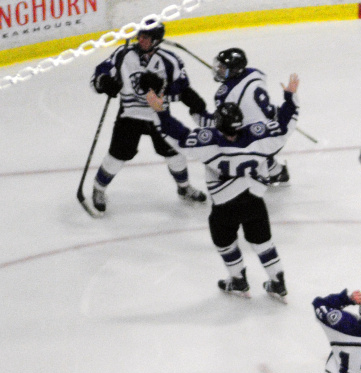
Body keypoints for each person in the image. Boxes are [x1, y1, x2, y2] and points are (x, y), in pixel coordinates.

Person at [146, 75, 299, 301]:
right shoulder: (259, 136)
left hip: (224, 206)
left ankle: (238, 280)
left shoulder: (209, 143)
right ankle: (278, 283)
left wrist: (161, 112)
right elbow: (285, 126)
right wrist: (290, 99)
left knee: (225, 242)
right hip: (253, 200)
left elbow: (177, 135)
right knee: (263, 242)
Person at [89, 23, 208, 214]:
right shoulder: (123, 54)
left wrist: (161, 87)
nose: (141, 40)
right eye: (140, 35)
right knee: (118, 155)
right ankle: (99, 189)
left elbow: (182, 88)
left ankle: (184, 188)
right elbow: (99, 74)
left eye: (146, 37)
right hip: (130, 114)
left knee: (174, 153)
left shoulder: (170, 60)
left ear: (156, 41)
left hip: (159, 114)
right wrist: (103, 82)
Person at [211, 47, 289, 185]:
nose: (218, 69)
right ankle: (277, 172)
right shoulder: (256, 73)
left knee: (228, 136)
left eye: (223, 68)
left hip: (258, 135)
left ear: (235, 70)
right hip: (274, 124)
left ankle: (263, 171)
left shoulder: (224, 94)